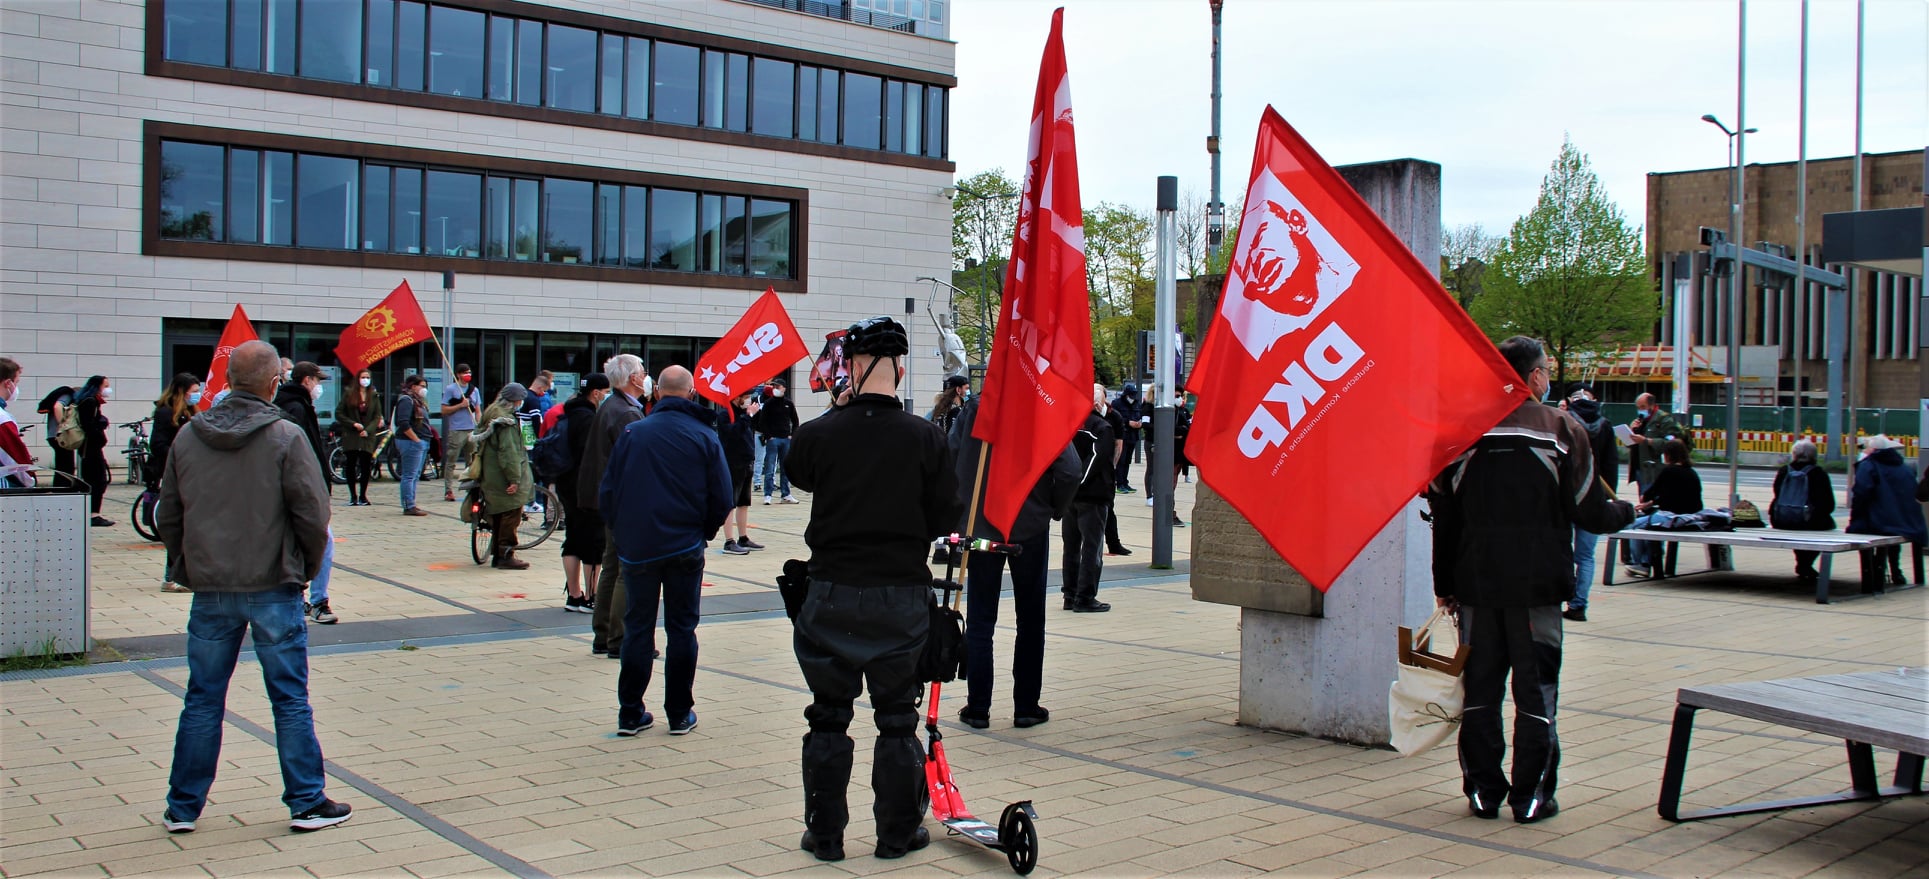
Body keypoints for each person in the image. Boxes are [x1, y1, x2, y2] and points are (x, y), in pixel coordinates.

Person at [1426, 336, 1632, 825]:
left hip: (1476, 583)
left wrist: (1445, 582)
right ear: (1533, 376)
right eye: (1544, 369)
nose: (1546, 376)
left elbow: (1444, 516)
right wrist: (1627, 511)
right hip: (1539, 585)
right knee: (1537, 691)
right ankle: (1532, 797)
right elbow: (1588, 510)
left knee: (1481, 690)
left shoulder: (1461, 434)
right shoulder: (1562, 430)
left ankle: (1483, 791)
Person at [154, 339, 351, 835]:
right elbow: (314, 512)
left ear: (226, 382)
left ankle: (183, 807)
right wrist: (304, 569)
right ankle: (306, 800)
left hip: (212, 585)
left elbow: (169, 512)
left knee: (202, 696)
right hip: (273, 583)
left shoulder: (189, 437)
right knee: (288, 696)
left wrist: (183, 566)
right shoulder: (285, 436)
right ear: (272, 383)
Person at [786, 316, 960, 862]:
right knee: (896, 719)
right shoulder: (926, 437)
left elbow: (799, 472)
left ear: (854, 367)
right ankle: (896, 834)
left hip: (832, 591)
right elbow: (947, 514)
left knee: (828, 714)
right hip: (900, 595)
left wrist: (836, 410)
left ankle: (827, 835)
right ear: (901, 369)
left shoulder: (820, 433)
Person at [599, 366, 731, 737]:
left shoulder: (633, 433)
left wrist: (622, 534)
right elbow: (722, 495)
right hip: (685, 545)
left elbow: (608, 491)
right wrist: (702, 532)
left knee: (638, 628)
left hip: (639, 546)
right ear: (691, 393)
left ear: (656, 392)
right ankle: (679, 712)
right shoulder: (703, 434)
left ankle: (630, 712)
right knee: (682, 629)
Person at [950, 393, 1079, 729]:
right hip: (1029, 523)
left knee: (980, 619)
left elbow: (950, 454)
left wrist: (961, 512)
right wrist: (1054, 507)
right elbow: (1069, 468)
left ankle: (977, 707)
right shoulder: (1041, 404)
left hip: (982, 525)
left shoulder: (974, 407)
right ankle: (1026, 705)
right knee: (1031, 619)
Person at [579, 354, 647, 658]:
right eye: (643, 372)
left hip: (608, 498)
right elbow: (637, 463)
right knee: (624, 570)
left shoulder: (614, 407)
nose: (646, 377)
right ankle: (619, 637)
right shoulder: (626, 414)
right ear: (633, 378)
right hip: (624, 501)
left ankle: (604, 633)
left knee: (611, 567)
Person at [275, 363, 338, 624]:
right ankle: (317, 601)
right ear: (306, 380)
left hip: (300, 488)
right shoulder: (297, 408)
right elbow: (302, 453)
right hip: (302, 490)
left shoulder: (293, 403)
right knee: (324, 542)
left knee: (311, 544)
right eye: (316, 381)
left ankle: (304, 599)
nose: (318, 387)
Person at [556, 372, 611, 611]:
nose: (607, 396)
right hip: (586, 486)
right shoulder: (590, 419)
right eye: (606, 392)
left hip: (565, 484)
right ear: (596, 393)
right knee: (594, 541)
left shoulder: (565, 413)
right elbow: (593, 456)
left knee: (573, 538)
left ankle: (574, 595)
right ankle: (592, 596)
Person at [1561, 387, 1617, 621]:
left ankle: (1561, 595)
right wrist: (1608, 498)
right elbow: (1612, 464)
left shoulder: (1565, 423)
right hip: (1594, 497)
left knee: (1562, 549)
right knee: (1585, 556)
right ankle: (1579, 604)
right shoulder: (1605, 426)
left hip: (1567, 495)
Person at [1062, 385, 1119, 612]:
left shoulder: (1069, 423)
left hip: (1070, 497)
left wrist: (1066, 487)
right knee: (1092, 548)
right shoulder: (1102, 428)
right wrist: (1079, 481)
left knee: (1071, 547)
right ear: (1097, 403)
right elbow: (1097, 459)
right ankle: (1085, 597)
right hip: (1093, 496)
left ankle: (1069, 594)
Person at [1847, 434, 1925, 592]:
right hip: (1907, 522)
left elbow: (1861, 494)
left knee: (1864, 531)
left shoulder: (1869, 466)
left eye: (1867, 447)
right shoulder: (1904, 468)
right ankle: (1896, 571)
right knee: (1893, 532)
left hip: (1879, 522)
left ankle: (1875, 572)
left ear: (1874, 450)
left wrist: (1854, 521)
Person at [148, 373, 203, 592]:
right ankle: (173, 576)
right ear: (181, 392)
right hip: (176, 474)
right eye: (193, 391)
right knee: (180, 524)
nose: (196, 395)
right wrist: (180, 457)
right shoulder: (165, 413)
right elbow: (158, 444)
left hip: (190, 474)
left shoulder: (190, 412)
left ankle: (176, 575)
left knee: (188, 525)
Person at [474, 383, 536, 570]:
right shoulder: (506, 421)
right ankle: (506, 555)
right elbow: (508, 453)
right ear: (515, 400)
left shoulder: (491, 411)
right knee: (511, 513)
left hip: (490, 472)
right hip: (502, 475)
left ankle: (497, 553)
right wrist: (514, 479)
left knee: (499, 514)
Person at [1624, 440, 1701, 577]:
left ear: (1668, 455)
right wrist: (1653, 502)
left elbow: (1650, 493)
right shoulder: (1692, 472)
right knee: (1650, 524)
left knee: (1634, 524)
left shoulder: (1669, 471)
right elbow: (1672, 495)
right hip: (1691, 517)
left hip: (1671, 517)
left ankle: (1642, 564)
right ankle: (1648, 561)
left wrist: (1647, 501)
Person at [1769, 439, 1835, 582]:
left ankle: (1802, 562)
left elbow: (1777, 493)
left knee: (1797, 526)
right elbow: (1829, 504)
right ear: (1814, 456)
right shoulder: (1818, 473)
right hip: (1810, 521)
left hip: (1781, 520)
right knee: (1825, 524)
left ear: (1794, 454)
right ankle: (1805, 563)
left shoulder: (1784, 471)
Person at [715, 388, 764, 555]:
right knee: (731, 502)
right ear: (737, 397)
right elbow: (732, 433)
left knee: (744, 502)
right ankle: (729, 541)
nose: (749, 400)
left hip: (746, 461)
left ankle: (743, 536)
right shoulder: (725, 414)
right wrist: (748, 416)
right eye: (746, 397)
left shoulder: (744, 414)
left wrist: (752, 415)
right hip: (732, 462)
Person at [334, 368, 384, 507]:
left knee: (365, 465)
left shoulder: (374, 395)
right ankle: (353, 496)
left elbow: (377, 416)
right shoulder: (349, 394)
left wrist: (368, 430)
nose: (365, 380)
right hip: (352, 435)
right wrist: (353, 424)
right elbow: (339, 413)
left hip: (367, 436)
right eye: (363, 377)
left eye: (367, 377)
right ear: (358, 379)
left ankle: (363, 495)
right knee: (351, 464)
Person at [1625, 392, 1686, 498]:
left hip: (1655, 470)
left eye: (1643, 406)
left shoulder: (1664, 420)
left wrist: (1647, 440)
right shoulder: (1639, 421)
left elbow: (1672, 443)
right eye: (1638, 407)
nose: (1640, 410)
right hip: (1640, 469)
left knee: (1653, 501)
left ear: (1652, 405)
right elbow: (1630, 445)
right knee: (1643, 500)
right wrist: (1631, 431)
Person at [74, 375, 113, 526]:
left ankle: (92, 512)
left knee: (95, 480)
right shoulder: (90, 402)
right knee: (98, 480)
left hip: (90, 448)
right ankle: (93, 514)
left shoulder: (89, 401)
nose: (108, 390)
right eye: (106, 386)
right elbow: (89, 426)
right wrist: (100, 431)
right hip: (91, 448)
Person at [755, 376, 800, 504]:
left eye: (778, 387)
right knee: (770, 467)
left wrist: (792, 434)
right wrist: (769, 436)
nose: (775, 389)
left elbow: (795, 420)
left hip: (786, 439)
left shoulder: (788, 403)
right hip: (773, 439)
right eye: (774, 387)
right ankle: (767, 494)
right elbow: (762, 422)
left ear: (784, 389)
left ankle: (786, 494)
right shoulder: (769, 403)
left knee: (785, 467)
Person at [392, 375, 432, 516]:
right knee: (409, 475)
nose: (424, 389)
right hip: (411, 442)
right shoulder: (407, 400)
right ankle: (409, 505)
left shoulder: (418, 401)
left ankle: (411, 503)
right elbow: (402, 422)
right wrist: (416, 440)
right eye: (422, 386)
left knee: (414, 475)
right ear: (413, 386)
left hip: (421, 441)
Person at [441, 364, 482, 501]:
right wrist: (460, 405)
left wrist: (479, 424)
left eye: (469, 372)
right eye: (464, 372)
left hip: (471, 429)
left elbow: (477, 409)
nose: (467, 375)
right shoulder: (451, 389)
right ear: (458, 374)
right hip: (457, 430)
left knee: (471, 460)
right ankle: (448, 490)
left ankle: (470, 488)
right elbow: (444, 410)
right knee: (452, 460)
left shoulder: (474, 390)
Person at [0, 357, 35, 488]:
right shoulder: (2, 419)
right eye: (17, 382)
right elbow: (16, 462)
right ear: (8, 383)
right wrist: (31, 481)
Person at [36, 383, 76, 491]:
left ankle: (60, 488)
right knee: (66, 465)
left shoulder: (63, 395)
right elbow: (57, 406)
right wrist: (64, 426)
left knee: (62, 464)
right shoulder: (68, 395)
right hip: (60, 436)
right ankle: (64, 488)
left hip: (53, 435)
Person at [1111, 383, 1144, 492]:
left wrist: (1139, 423)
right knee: (1121, 460)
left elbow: (1139, 416)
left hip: (1132, 436)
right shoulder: (1117, 404)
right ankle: (1119, 483)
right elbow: (1115, 419)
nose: (1132, 398)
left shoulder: (1137, 404)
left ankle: (1125, 482)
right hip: (1122, 436)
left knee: (1127, 461)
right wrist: (1128, 422)